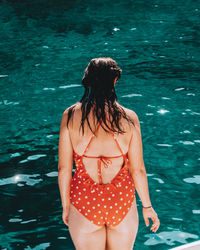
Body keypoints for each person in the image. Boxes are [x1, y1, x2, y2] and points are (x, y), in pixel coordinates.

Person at [58, 57, 160, 250]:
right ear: (114, 81)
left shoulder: (70, 115)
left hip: (84, 202)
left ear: (87, 81)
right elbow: (138, 170)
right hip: (120, 201)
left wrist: (66, 205)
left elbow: (64, 169)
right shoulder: (129, 118)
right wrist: (147, 206)